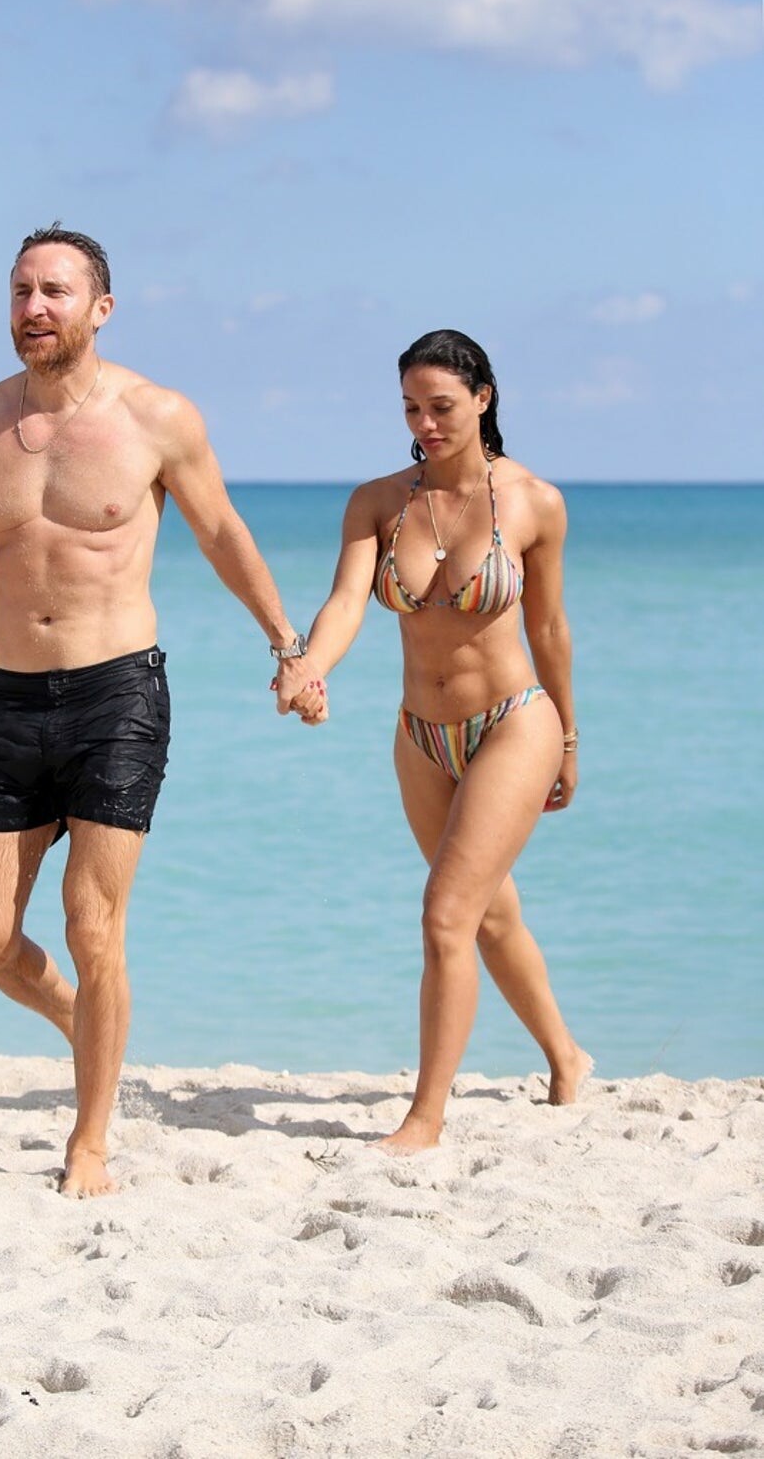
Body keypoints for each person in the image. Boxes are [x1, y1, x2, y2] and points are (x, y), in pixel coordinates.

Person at [0, 223, 308, 1197]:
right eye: (20, 291)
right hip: (8, 699)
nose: (33, 308)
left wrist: (287, 647)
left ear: (101, 309)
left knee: (91, 923)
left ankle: (91, 1141)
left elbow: (222, 531)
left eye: (55, 292)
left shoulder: (157, 416)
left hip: (118, 694)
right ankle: (88, 1025)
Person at [276, 328, 591, 1153]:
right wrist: (310, 667)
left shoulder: (534, 502)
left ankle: (425, 1118)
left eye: (442, 406)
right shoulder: (378, 502)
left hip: (514, 723)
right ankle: (567, 1056)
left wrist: (568, 739)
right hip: (420, 736)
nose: (426, 424)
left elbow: (550, 629)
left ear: (483, 399)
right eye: (412, 408)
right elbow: (347, 602)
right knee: (489, 915)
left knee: (446, 915)